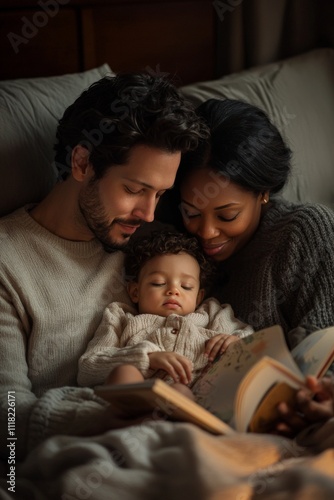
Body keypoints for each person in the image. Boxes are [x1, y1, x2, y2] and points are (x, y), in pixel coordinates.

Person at [0, 71, 209, 460]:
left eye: (160, 195)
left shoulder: (154, 245)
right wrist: (117, 415)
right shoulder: (8, 263)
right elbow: (7, 421)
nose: (148, 214)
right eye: (134, 189)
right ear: (82, 162)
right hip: (90, 457)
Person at [158, 98, 334, 352]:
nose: (206, 233)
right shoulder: (173, 242)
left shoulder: (305, 232)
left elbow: (324, 345)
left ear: (263, 193)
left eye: (227, 216)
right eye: (192, 213)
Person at [77, 231, 254, 395]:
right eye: (158, 283)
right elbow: (88, 367)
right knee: (124, 373)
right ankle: (129, 420)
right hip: (134, 399)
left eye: (186, 286)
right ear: (135, 292)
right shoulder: (120, 318)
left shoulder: (212, 314)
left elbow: (253, 341)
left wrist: (235, 341)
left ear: (199, 296)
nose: (173, 291)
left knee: (180, 392)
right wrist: (146, 357)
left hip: (188, 401)